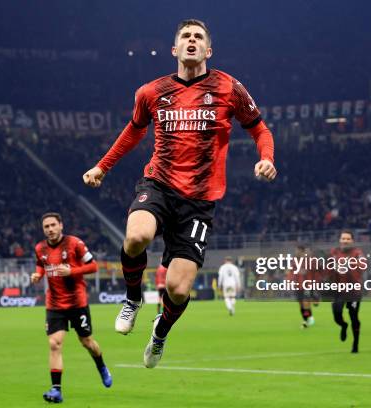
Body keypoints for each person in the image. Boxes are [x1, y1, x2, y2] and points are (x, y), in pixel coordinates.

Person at [83, 19, 276, 368]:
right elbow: (133, 132)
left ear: (208, 50)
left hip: (199, 201)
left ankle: (160, 333)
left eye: (198, 37)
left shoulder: (229, 88)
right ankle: (132, 299)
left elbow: (259, 128)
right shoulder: (151, 92)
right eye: (185, 36)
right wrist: (102, 166)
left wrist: (267, 158)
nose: (191, 40)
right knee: (137, 235)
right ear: (174, 49)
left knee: (177, 289)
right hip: (158, 183)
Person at [31, 212, 112, 403]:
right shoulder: (40, 248)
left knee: (87, 342)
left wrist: (72, 271)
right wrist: (37, 275)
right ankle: (56, 390)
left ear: (61, 225)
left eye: (53, 225)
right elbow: (41, 265)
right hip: (55, 304)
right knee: (54, 343)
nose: (50, 229)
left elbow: (93, 267)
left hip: (77, 303)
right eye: (46, 227)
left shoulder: (75, 243)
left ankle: (101, 365)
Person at [330, 230, 364, 353]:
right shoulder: (334, 252)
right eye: (343, 238)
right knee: (337, 315)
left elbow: (362, 266)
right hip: (339, 291)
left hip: (354, 291)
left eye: (348, 239)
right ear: (340, 240)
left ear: (352, 241)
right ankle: (343, 325)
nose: (345, 241)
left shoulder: (357, 253)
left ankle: (355, 344)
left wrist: (350, 264)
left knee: (353, 316)